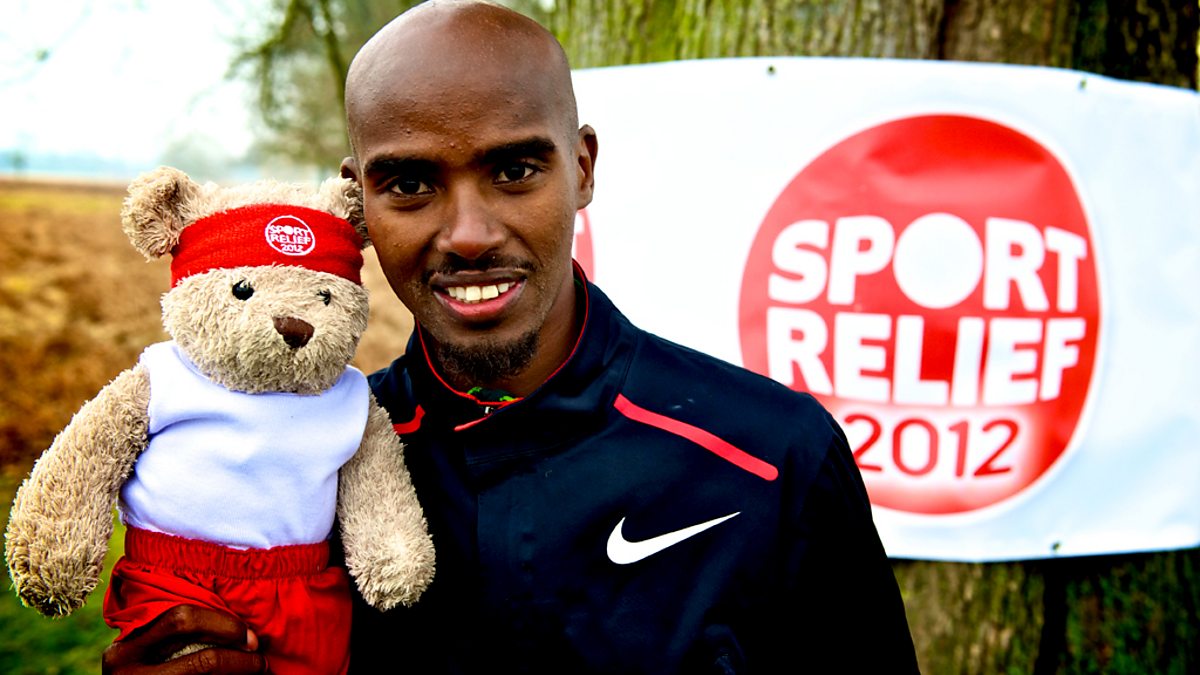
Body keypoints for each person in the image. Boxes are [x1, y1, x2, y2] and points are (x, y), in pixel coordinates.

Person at [103, 1, 919, 673]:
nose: (468, 233)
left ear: (583, 167)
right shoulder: (295, 460)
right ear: (358, 205)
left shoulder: (773, 458)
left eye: (516, 170)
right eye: (410, 182)